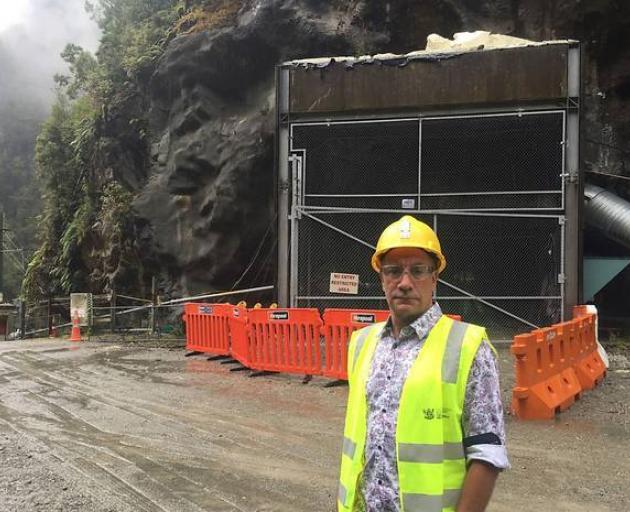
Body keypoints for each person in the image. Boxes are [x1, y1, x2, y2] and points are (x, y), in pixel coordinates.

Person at [338, 215, 509, 512]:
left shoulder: (468, 347)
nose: (404, 283)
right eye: (393, 271)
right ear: (382, 279)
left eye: (417, 271)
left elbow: (487, 453)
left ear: (434, 278)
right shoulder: (362, 343)